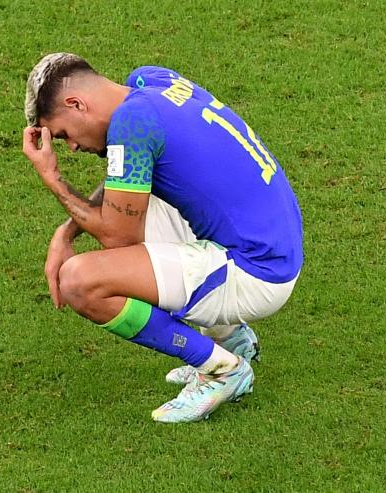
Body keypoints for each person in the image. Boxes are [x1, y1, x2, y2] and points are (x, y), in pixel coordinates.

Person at [21, 53, 303, 423]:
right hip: (275, 240)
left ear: (75, 104)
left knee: (79, 281)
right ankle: (232, 339)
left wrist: (52, 178)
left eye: (62, 134)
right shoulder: (151, 82)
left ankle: (221, 369)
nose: (71, 147)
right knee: (145, 193)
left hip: (258, 272)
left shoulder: (132, 125)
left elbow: (118, 237)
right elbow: (132, 177)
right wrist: (66, 230)